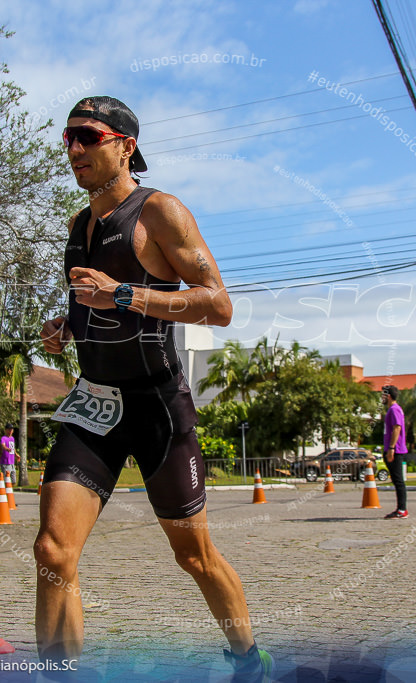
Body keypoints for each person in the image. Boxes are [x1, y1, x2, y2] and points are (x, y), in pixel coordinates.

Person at [36, 96, 271, 681]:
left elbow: (219, 306)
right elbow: (90, 302)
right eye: (68, 137)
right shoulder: (78, 225)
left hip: (158, 407)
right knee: (51, 552)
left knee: (193, 555)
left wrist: (122, 295)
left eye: (87, 136)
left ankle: (248, 658)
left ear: (125, 145)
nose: (74, 150)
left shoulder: (160, 212)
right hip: (94, 405)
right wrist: (68, 326)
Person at [381, 385, 409, 519]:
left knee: (398, 480)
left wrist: (392, 448)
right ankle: (400, 508)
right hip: (391, 448)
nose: (382, 398)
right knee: (396, 479)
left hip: (395, 449)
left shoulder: (394, 409)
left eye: (383, 395)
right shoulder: (391, 410)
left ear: (389, 396)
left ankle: (402, 509)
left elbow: (397, 428)